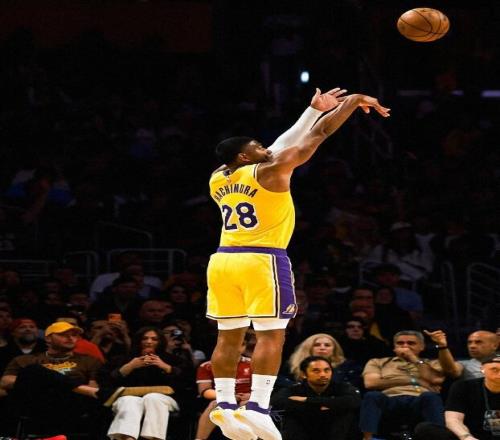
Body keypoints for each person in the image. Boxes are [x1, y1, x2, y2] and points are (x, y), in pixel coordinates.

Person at [206, 87, 390, 440]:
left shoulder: (220, 176)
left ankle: (226, 404)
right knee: (272, 334)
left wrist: (312, 110)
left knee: (228, 337)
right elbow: (320, 134)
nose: (266, 148)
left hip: (223, 260)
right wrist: (353, 102)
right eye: (257, 146)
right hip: (262, 259)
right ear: (245, 156)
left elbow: (278, 143)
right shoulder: (272, 170)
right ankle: (257, 407)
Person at [0, 321, 101, 437]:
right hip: (36, 405)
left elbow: (94, 387)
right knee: (34, 370)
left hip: (72, 406)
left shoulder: (89, 360)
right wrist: (48, 381)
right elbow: (5, 381)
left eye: (74, 335)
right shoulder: (26, 359)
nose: (70, 338)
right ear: (48, 339)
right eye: (63, 334)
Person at [99, 326, 189, 440]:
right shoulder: (122, 359)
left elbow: (186, 382)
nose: (149, 342)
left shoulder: (173, 360)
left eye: (154, 339)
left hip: (165, 398)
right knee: (130, 400)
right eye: (145, 338)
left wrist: (166, 367)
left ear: (160, 342)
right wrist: (129, 367)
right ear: (138, 340)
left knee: (153, 398)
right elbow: (105, 380)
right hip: (127, 396)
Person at [359, 330, 446, 440]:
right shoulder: (378, 362)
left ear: (422, 347)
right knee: (371, 396)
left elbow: (435, 379)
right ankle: (368, 438)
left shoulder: (432, 363)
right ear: (394, 347)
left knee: (430, 396)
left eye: (411, 343)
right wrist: (415, 381)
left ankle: (439, 438)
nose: (405, 346)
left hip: (419, 399)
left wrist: (413, 358)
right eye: (400, 343)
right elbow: (370, 383)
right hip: (389, 399)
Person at [271, 355, 361, 440]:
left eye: (327, 370)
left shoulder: (342, 387)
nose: (323, 374)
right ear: (304, 374)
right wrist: (330, 404)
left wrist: (307, 400)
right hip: (303, 431)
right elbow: (277, 402)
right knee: (290, 416)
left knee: (347, 413)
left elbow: (355, 401)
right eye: (316, 371)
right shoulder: (294, 389)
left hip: (335, 434)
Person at [413, 353, 500, 440]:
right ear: (482, 369)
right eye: (494, 370)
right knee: (424, 428)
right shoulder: (463, 387)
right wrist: (466, 437)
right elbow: (453, 419)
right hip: (469, 435)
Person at [195, 331, 255, 440]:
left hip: (247, 399)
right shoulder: (207, 366)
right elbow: (205, 391)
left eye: (241, 344)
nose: (236, 347)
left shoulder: (253, 364)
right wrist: (228, 396)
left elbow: (264, 388)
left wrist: (252, 396)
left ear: (244, 346)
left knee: (249, 405)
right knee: (215, 404)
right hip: (221, 399)